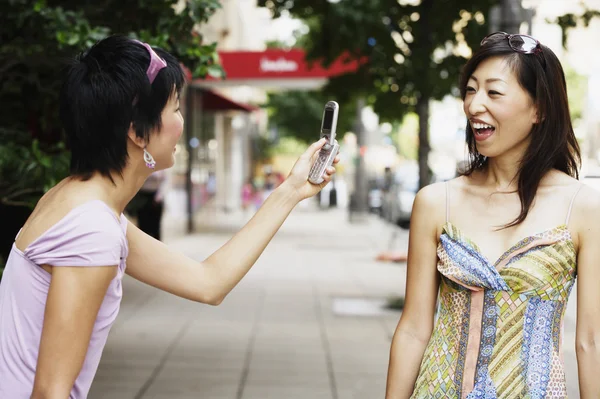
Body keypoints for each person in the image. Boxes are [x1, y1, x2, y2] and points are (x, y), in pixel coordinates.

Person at [0, 35, 338, 399]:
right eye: (175, 108)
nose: (181, 121)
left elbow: (208, 282)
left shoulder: (78, 201)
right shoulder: (90, 228)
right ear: (137, 132)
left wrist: (291, 191)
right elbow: (50, 392)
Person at [385, 32, 600, 398]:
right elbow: (413, 329)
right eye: (470, 90)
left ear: (539, 109)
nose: (473, 105)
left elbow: (591, 341)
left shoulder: (582, 207)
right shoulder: (437, 202)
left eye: (493, 92)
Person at [136, 169, 168, 240]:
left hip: (156, 197)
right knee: (143, 226)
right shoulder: (143, 164)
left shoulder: (161, 166)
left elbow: (165, 181)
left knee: (156, 227)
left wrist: (159, 195)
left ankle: (157, 248)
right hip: (142, 197)